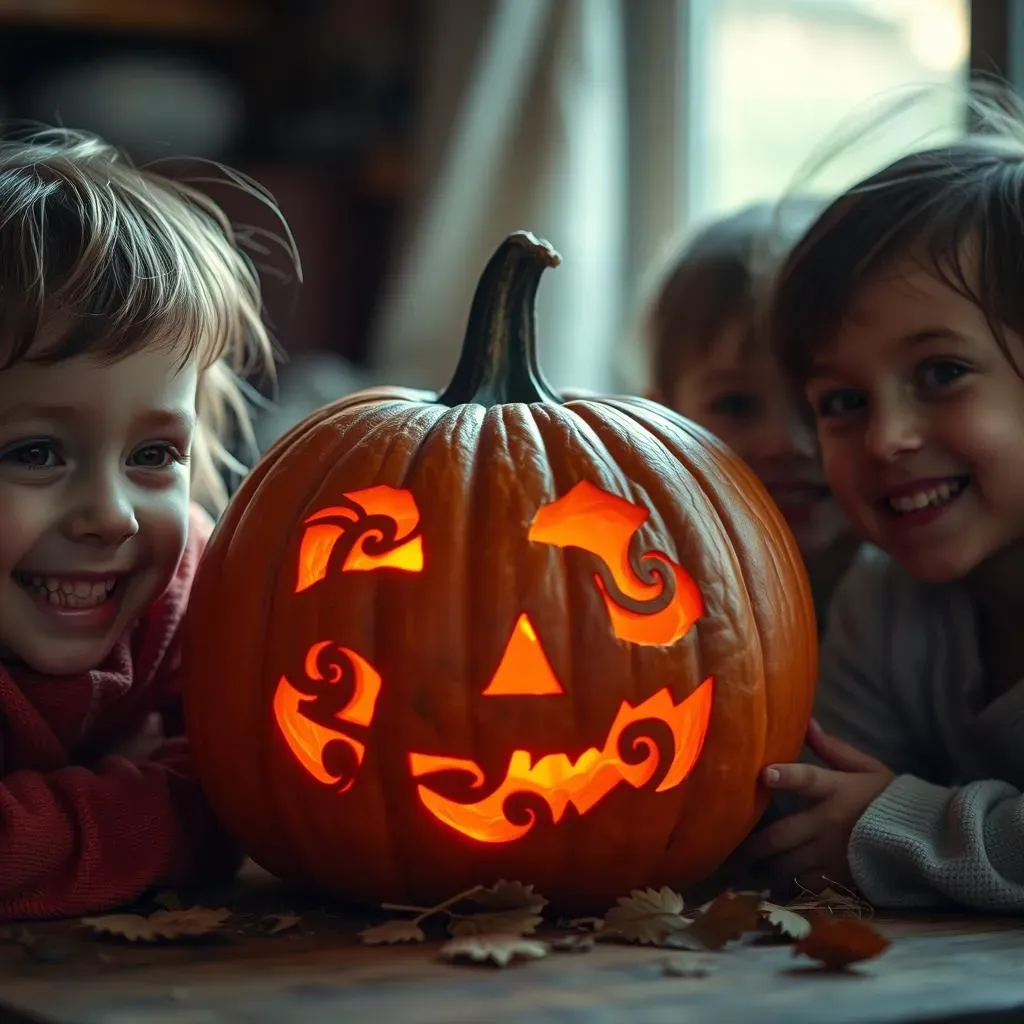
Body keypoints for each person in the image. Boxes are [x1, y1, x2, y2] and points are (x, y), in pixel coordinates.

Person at [0, 125, 287, 919]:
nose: (111, 516)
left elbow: (254, 783)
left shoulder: (179, 579)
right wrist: (163, 805)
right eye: (34, 453)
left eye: (155, 453)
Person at [747, 91, 1024, 911]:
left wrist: (905, 826)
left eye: (941, 373)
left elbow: (873, 821)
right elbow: (826, 801)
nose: (886, 438)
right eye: (842, 402)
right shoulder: (886, 599)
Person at [643, 201, 857, 630]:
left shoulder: (918, 601)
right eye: (736, 405)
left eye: (831, 402)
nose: (786, 443)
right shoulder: (648, 581)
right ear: (658, 423)